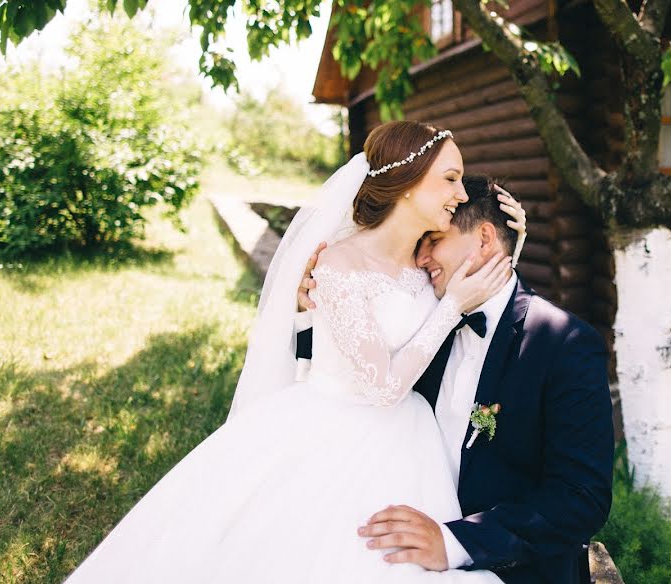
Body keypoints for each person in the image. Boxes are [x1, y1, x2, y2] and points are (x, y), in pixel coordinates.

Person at [66, 121, 524, 583]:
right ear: (408, 182)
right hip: (331, 432)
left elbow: (479, 285)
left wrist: (512, 239)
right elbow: (384, 384)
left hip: (410, 441)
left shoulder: (427, 263)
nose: (460, 195)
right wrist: (447, 310)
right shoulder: (338, 263)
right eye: (449, 178)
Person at [296, 175, 615, 584]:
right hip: (394, 541)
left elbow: (580, 498)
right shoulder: (427, 317)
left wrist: (454, 541)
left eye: (434, 241)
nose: (420, 259)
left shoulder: (564, 344)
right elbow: (352, 368)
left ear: (484, 240)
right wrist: (311, 305)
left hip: (508, 566)